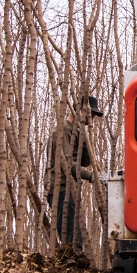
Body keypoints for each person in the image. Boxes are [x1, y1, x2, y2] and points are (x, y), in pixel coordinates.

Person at [45, 95, 104, 246]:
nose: (92, 119)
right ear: (81, 111)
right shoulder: (63, 130)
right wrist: (92, 177)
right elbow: (67, 164)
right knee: (71, 235)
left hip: (69, 188)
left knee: (76, 232)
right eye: (91, 115)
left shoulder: (75, 132)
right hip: (60, 188)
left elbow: (84, 161)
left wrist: (84, 137)